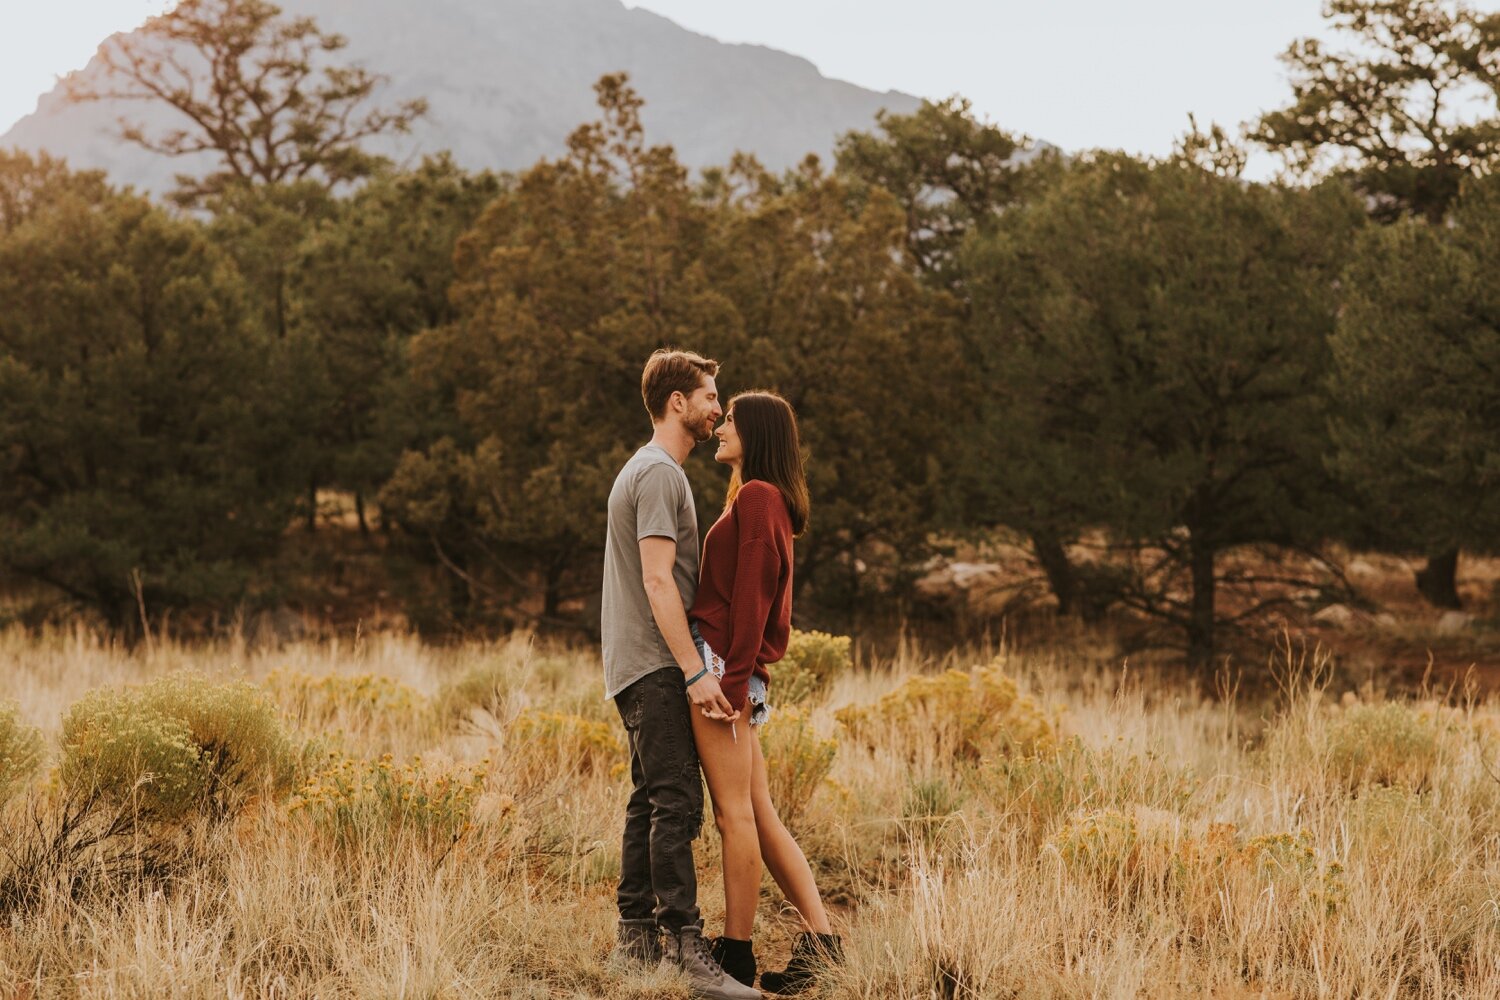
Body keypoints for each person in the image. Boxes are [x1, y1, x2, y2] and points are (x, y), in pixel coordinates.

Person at [601, 349, 760, 1000]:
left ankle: (636, 942)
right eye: (710, 396)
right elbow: (659, 580)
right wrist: (696, 673)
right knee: (677, 803)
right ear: (678, 403)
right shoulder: (661, 475)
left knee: (649, 800)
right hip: (658, 662)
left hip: (633, 662)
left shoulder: (645, 470)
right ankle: (689, 953)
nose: (717, 408)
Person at [688, 391, 842, 995]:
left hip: (727, 667)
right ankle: (823, 943)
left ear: (757, 434)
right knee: (761, 814)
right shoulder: (765, 498)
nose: (720, 426)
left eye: (730, 421)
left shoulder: (756, 497)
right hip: (741, 670)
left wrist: (727, 683)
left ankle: (736, 956)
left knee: (735, 817)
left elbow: (751, 596)